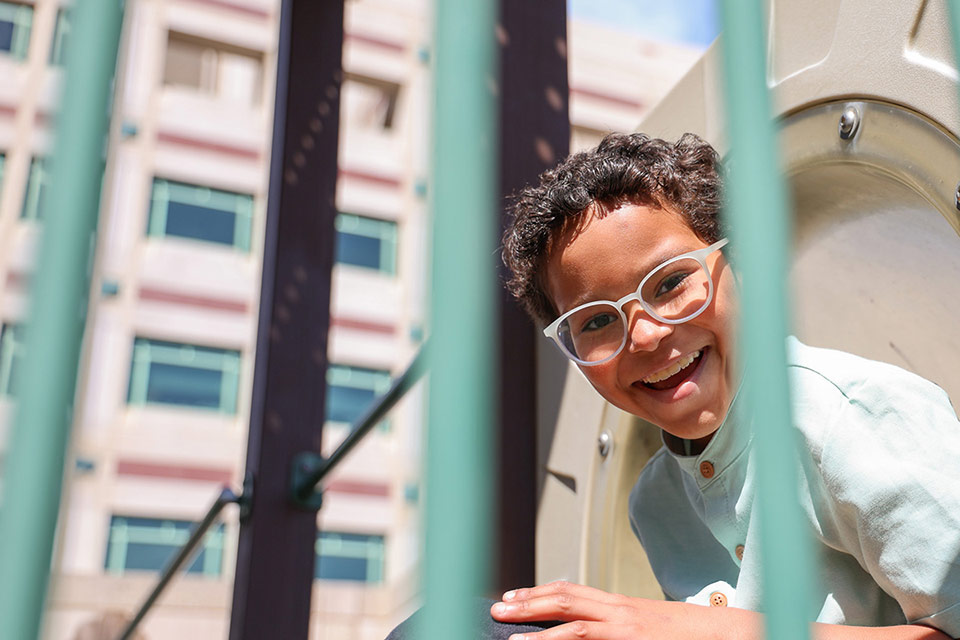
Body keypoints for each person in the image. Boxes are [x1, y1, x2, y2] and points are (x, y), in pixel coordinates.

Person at [481, 132, 960, 639]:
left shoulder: (852, 416)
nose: (645, 335)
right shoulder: (655, 500)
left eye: (670, 283)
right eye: (596, 321)